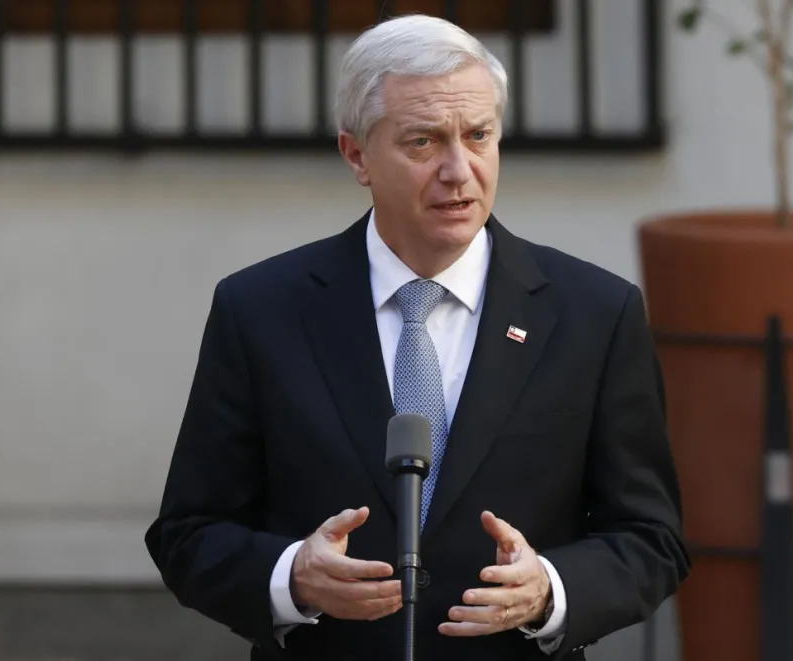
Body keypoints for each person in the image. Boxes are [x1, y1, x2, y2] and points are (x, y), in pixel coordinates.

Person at [145, 13, 689, 661]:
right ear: (356, 154)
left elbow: (652, 538)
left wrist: (550, 589)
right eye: (424, 142)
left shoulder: (594, 313)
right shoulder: (261, 309)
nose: (459, 170)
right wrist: (293, 576)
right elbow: (188, 533)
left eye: (478, 136)